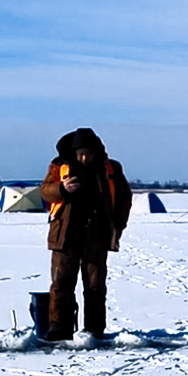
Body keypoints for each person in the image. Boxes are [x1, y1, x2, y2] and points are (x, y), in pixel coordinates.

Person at [40, 128, 132, 341]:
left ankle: (94, 329)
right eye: (80, 153)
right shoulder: (59, 167)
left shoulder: (111, 168)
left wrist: (118, 225)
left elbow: (124, 198)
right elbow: (45, 191)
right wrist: (62, 189)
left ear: (95, 152)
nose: (83, 158)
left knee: (95, 285)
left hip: (97, 235)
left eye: (87, 153)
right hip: (65, 235)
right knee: (61, 283)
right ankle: (59, 328)